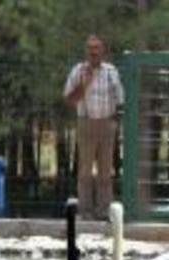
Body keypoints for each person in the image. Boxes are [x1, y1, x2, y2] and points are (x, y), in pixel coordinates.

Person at [63, 34, 124, 220]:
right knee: (85, 171)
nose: (93, 52)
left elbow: (120, 99)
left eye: (97, 48)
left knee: (106, 171)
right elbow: (69, 99)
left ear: (102, 50)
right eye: (90, 48)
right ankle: (85, 212)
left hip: (107, 123)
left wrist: (114, 121)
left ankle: (104, 211)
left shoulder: (111, 71)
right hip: (86, 122)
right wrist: (84, 85)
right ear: (86, 51)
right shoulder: (78, 71)